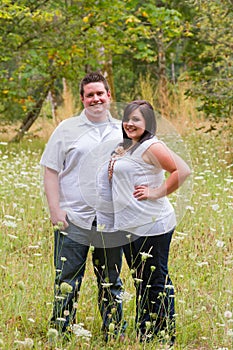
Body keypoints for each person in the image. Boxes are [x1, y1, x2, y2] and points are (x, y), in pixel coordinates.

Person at [40, 72, 126, 340]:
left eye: (100, 93)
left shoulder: (124, 130)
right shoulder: (66, 130)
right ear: (82, 99)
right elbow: (50, 171)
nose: (96, 98)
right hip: (74, 217)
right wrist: (56, 210)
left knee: (111, 281)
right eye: (90, 94)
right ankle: (61, 333)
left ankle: (114, 332)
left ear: (109, 96)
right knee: (67, 280)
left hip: (110, 219)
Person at [97, 100, 191, 345]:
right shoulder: (128, 146)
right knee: (142, 280)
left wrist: (156, 192)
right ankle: (146, 332)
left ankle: (162, 337)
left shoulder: (152, 145)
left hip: (152, 225)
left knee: (156, 281)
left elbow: (182, 171)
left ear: (148, 123)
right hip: (130, 225)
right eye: (127, 118)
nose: (130, 123)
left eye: (136, 119)